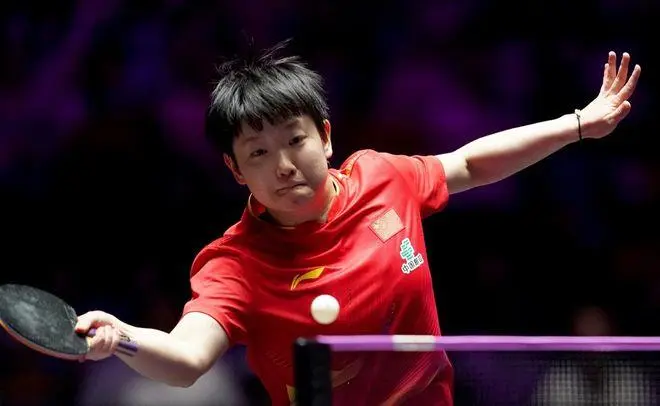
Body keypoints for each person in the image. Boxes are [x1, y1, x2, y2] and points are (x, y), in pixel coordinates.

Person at [75, 40, 641, 406]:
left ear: (325, 136)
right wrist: (121, 337)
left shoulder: (382, 179)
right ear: (235, 170)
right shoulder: (235, 265)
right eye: (258, 153)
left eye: (295, 140)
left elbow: (469, 163)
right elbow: (186, 360)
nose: (283, 165)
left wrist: (578, 124)